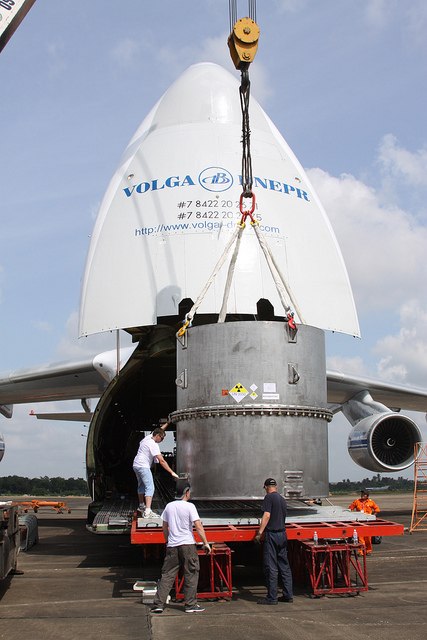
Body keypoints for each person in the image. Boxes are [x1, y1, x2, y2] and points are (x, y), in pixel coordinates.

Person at [150, 484, 211, 614]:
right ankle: (190, 605)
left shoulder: (169, 506)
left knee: (167, 575)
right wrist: (205, 543)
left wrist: (167, 541)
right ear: (186, 492)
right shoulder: (190, 507)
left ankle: (158, 604)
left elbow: (164, 527)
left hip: (172, 545)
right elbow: (198, 526)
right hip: (188, 545)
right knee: (191, 573)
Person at [254, 478, 293, 605]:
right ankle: (288, 595)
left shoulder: (269, 498)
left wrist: (260, 533)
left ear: (265, 487)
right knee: (284, 565)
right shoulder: (282, 499)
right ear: (276, 486)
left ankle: (272, 597)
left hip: (272, 535)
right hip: (282, 533)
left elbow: (267, 515)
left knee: (271, 567)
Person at [133, 422, 179, 518]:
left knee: (141, 485)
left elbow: (159, 429)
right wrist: (172, 472)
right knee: (150, 487)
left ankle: (141, 506)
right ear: (157, 436)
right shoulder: (153, 444)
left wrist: (168, 422)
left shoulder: (147, 438)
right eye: (162, 438)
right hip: (143, 466)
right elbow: (161, 461)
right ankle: (148, 511)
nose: (162, 440)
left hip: (136, 465)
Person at [348, 489, 380, 555]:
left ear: (367, 496)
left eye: (364, 494)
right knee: (360, 538)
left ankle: (368, 551)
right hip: (360, 522)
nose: (362, 495)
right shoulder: (357, 501)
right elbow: (350, 508)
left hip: (368, 522)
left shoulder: (371, 502)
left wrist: (373, 516)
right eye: (362, 494)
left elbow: (377, 509)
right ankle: (361, 551)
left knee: (368, 538)